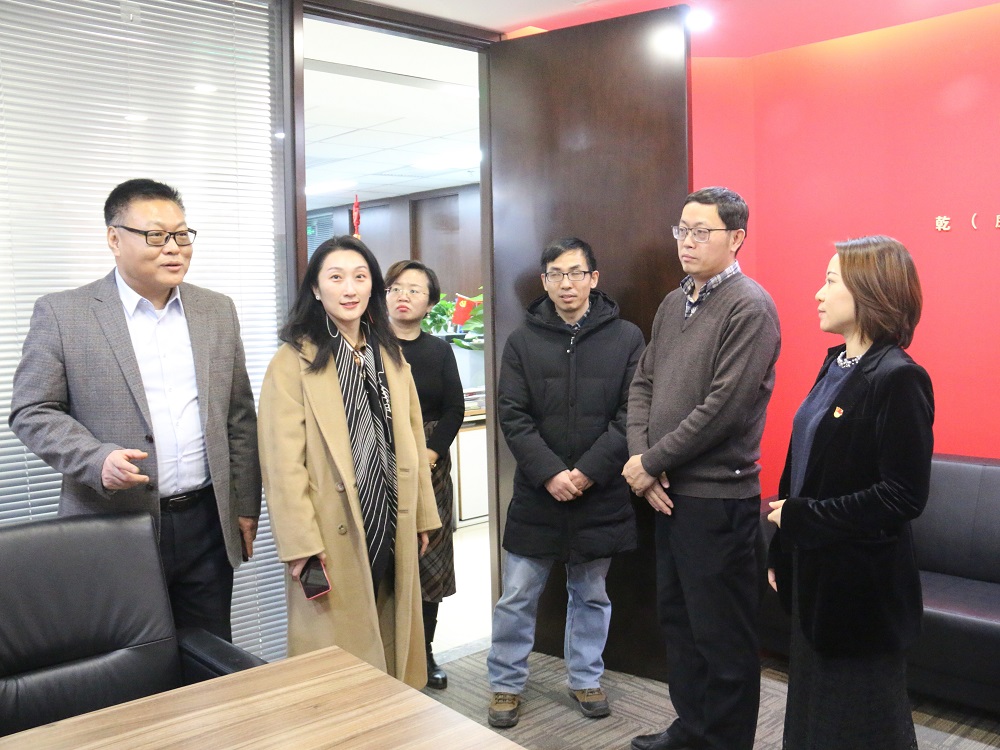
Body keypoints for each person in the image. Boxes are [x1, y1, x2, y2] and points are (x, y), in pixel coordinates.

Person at [9, 178, 261, 642]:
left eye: (181, 235)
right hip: (113, 524)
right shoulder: (64, 314)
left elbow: (239, 416)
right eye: (156, 235)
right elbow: (32, 409)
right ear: (114, 238)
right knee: (128, 661)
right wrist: (95, 459)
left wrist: (244, 506)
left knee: (211, 657)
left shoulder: (217, 310)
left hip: (206, 522)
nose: (174, 248)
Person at [625, 187, 781, 750]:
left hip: (718, 499)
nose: (687, 242)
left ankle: (724, 742)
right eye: (682, 230)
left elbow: (724, 409)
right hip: (668, 494)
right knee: (680, 625)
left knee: (723, 637)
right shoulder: (674, 303)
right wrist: (640, 459)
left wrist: (651, 462)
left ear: (736, 238)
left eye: (701, 232)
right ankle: (691, 730)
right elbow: (642, 384)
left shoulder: (750, 307)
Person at [766, 236, 932, 749]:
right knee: (814, 713)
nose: (818, 293)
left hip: (860, 588)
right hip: (815, 574)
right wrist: (783, 547)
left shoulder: (899, 378)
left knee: (860, 722)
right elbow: (805, 466)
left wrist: (802, 519)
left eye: (831, 281)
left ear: (868, 292)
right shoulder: (837, 365)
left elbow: (903, 496)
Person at [258, 235, 441, 688]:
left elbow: (412, 439)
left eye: (360, 277)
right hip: (331, 528)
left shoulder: (389, 354)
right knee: (337, 657)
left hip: (391, 516)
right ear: (315, 288)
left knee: (390, 632)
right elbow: (282, 463)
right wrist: (299, 541)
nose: (349, 288)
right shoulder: (292, 361)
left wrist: (422, 513)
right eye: (336, 277)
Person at [487, 237, 645, 728]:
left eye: (576, 272)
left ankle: (585, 678)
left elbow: (633, 413)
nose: (566, 283)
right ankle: (505, 683)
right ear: (545, 281)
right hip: (539, 493)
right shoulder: (522, 341)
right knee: (517, 595)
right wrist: (551, 473)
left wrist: (589, 471)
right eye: (556, 274)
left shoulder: (627, 338)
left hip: (601, 492)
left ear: (593, 278)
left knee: (592, 594)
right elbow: (512, 415)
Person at [384, 259, 465, 690]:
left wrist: (430, 456)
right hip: (379, 465)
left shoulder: (439, 351)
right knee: (384, 560)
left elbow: (455, 408)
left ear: (430, 302)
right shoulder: (368, 348)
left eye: (414, 290)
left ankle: (425, 651)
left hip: (430, 467)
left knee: (428, 560)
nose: (403, 296)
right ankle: (386, 650)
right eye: (396, 288)